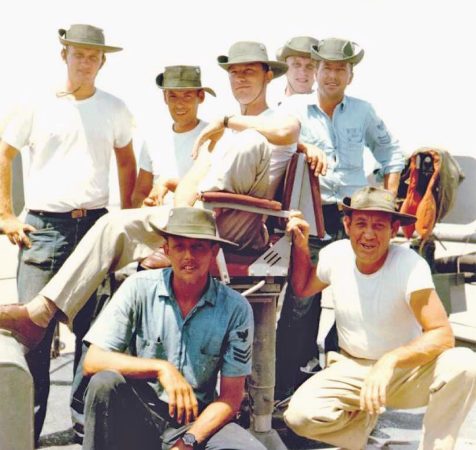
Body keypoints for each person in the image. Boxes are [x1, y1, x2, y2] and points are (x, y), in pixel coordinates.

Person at [0, 42, 299, 347]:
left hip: (240, 224)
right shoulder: (220, 134)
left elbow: (288, 132)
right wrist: (179, 216)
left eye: (249, 71)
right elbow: (187, 188)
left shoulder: (275, 118)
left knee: (250, 140)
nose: (241, 78)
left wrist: (225, 122)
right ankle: (39, 314)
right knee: (111, 224)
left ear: (268, 77)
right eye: (235, 73)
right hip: (203, 217)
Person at [0, 24, 136, 441]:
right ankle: (28, 432)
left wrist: (125, 218)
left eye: (93, 56)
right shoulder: (35, 104)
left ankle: (83, 432)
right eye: (78, 54)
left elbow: (127, 162)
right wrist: (5, 214)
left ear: (102, 61)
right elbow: (5, 155)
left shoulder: (115, 107)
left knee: (94, 334)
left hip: (95, 226)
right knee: (33, 334)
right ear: (64, 56)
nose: (85, 62)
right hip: (43, 228)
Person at [283, 186, 476, 450]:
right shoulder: (336, 255)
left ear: (393, 229)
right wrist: (301, 245)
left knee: (465, 363)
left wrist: (390, 360)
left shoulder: (410, 264)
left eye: (379, 225)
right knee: (300, 416)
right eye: (361, 223)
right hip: (352, 369)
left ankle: (436, 446)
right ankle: (366, 434)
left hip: (404, 372)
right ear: (347, 224)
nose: (369, 234)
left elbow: (442, 334)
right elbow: (303, 287)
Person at [275, 37, 405, 400]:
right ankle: (288, 380)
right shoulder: (293, 107)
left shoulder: (363, 111)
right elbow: (275, 140)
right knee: (303, 297)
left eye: (340, 69)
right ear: (314, 70)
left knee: (359, 292)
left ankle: (339, 365)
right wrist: (304, 146)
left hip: (354, 214)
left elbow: (392, 153)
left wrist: (387, 201)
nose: (332, 75)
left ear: (351, 74)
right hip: (312, 214)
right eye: (326, 67)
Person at [81, 207, 265, 450]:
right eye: (179, 246)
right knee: (104, 382)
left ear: (214, 251)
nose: (188, 256)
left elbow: (231, 398)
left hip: (196, 419)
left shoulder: (235, 308)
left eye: (198, 246)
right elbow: (93, 360)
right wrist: (161, 369)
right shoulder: (138, 288)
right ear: (166, 250)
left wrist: (188, 442)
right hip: (140, 412)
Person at [132, 65, 216, 208]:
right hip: (157, 223)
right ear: (165, 97)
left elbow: (214, 193)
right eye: (173, 96)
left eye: (187, 96)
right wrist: (145, 205)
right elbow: (139, 194)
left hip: (195, 222)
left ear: (200, 96)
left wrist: (169, 184)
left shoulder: (213, 136)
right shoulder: (153, 139)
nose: (179, 104)